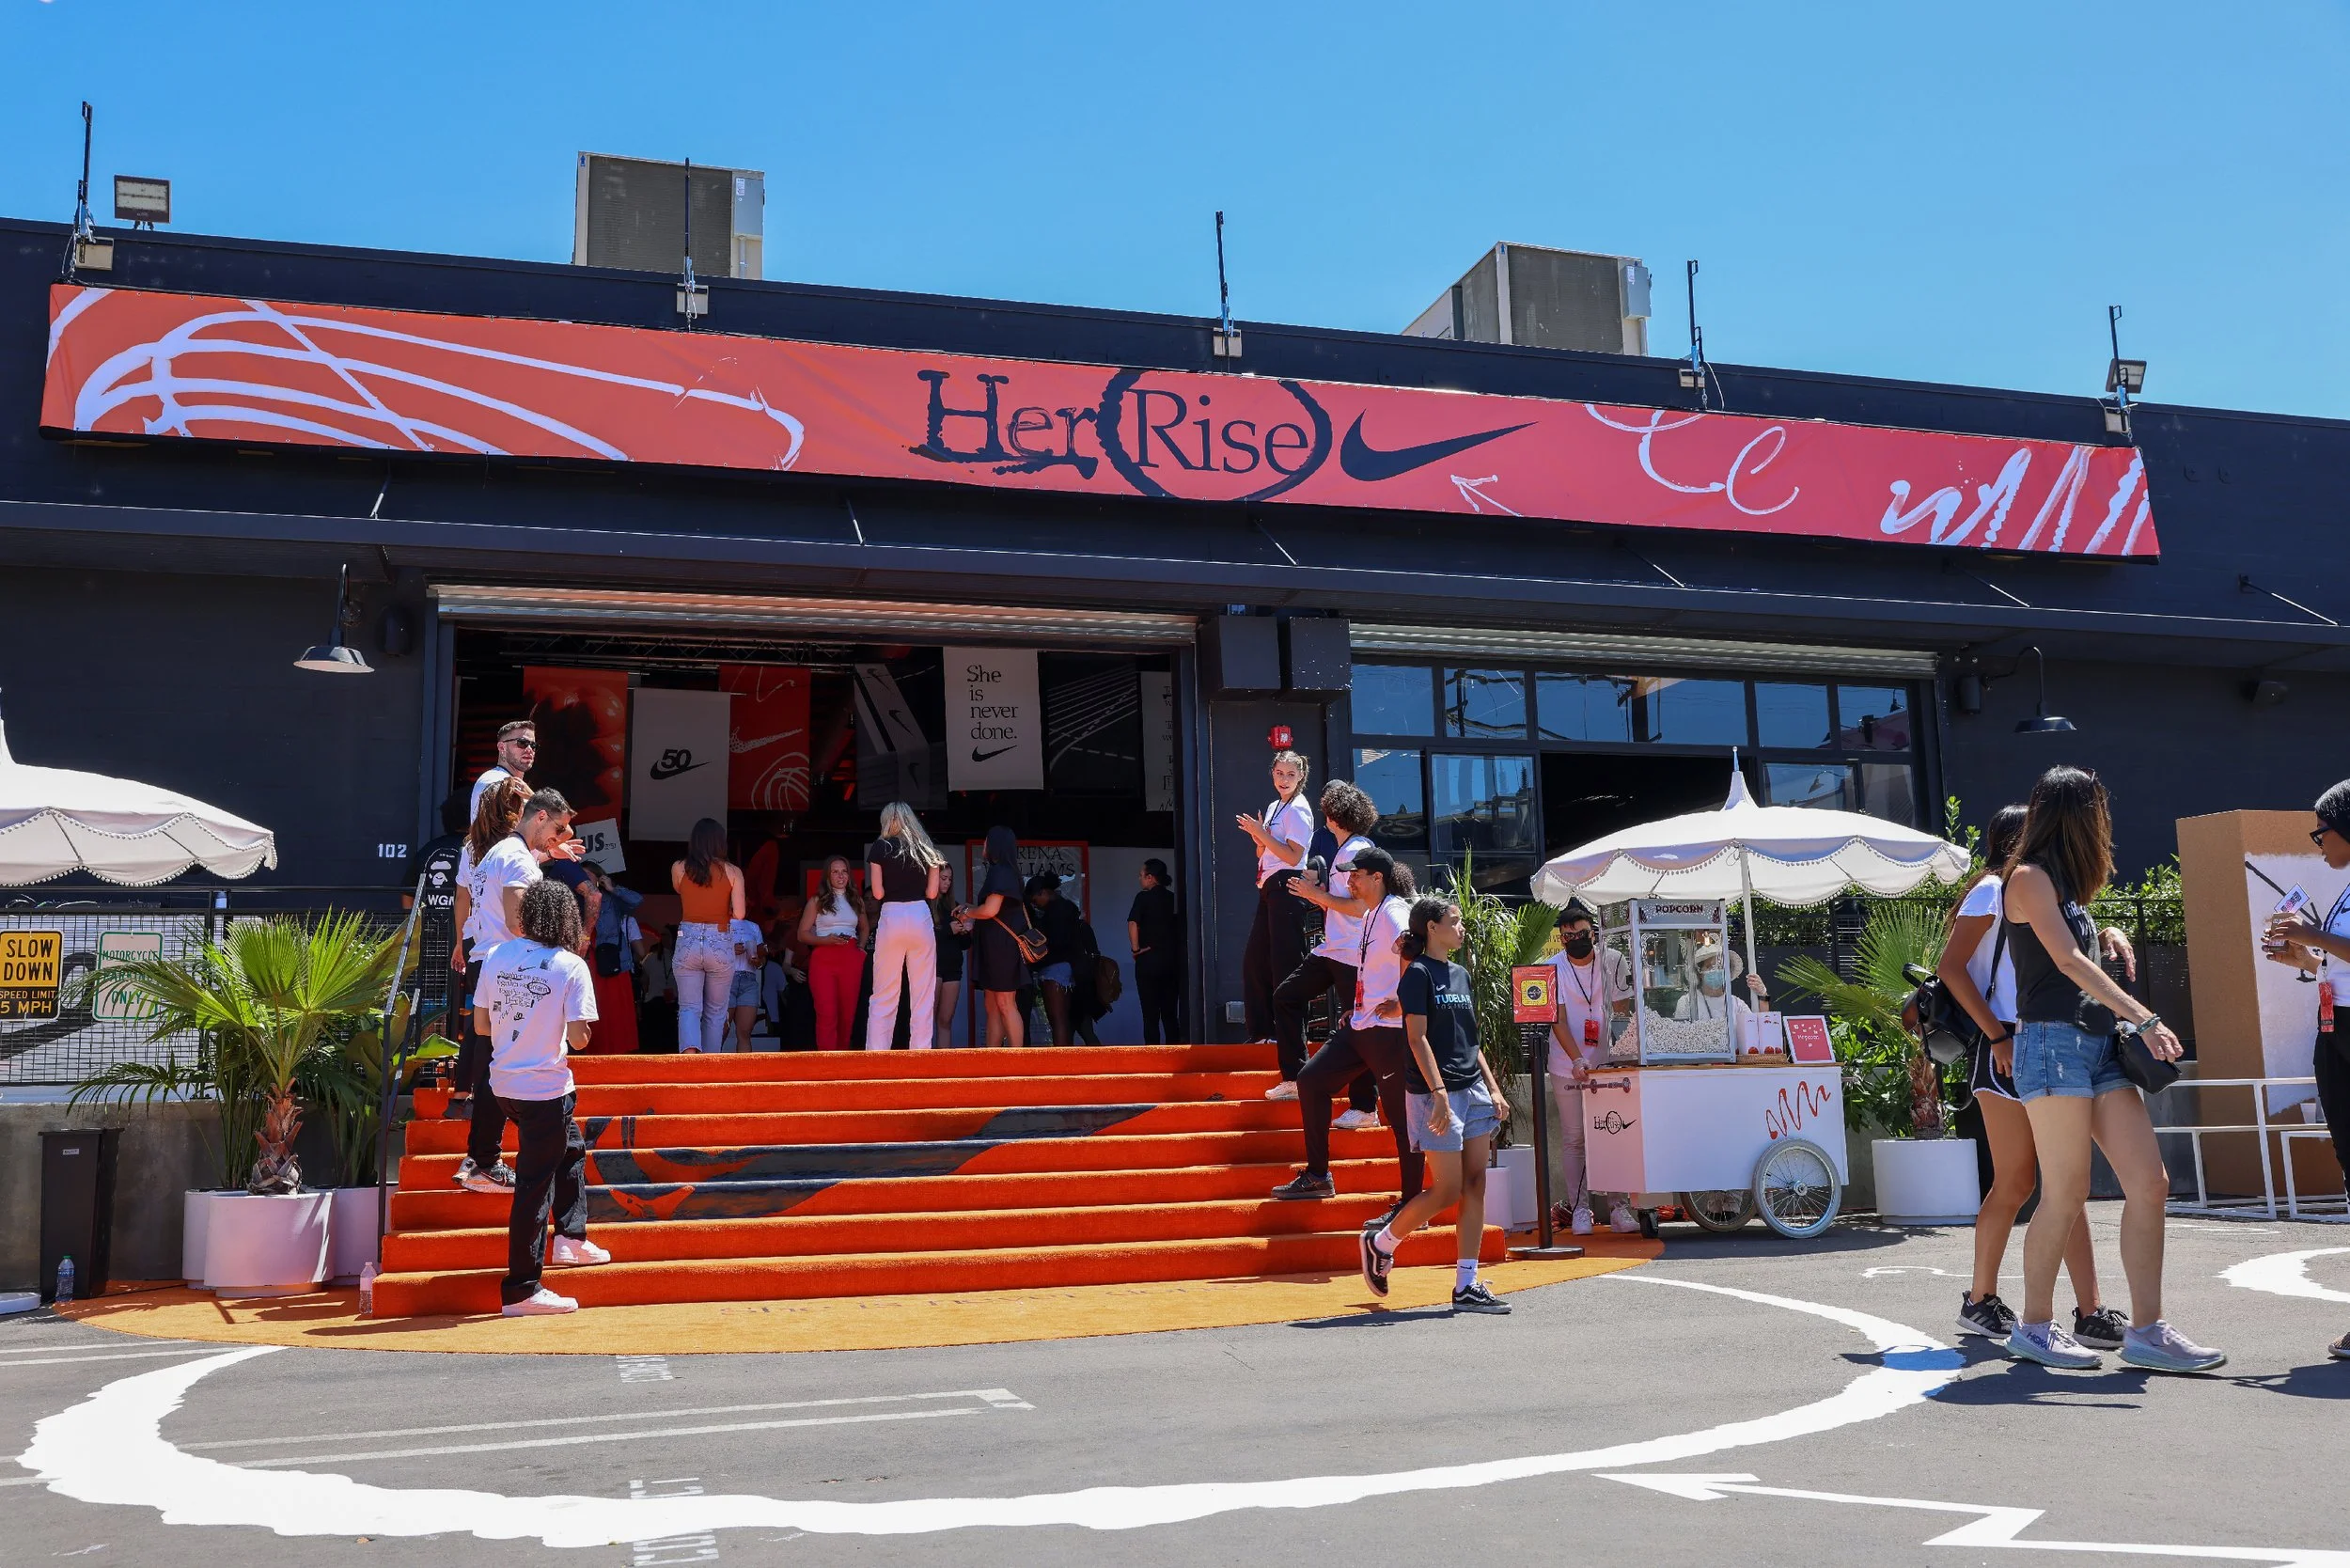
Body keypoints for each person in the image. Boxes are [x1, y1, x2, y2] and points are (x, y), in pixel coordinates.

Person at [2002, 764, 2221, 1372]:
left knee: (2149, 1182)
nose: (2106, 824)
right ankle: (2036, 1326)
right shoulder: (2026, 878)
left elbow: (2078, 947)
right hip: (2050, 1045)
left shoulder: (2067, 889)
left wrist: (2113, 930)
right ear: (2079, 815)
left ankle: (2147, 1331)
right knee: (2068, 1189)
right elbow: (2067, 961)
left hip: (2097, 1045)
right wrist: (2144, 1016)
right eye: (2099, 811)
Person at [1937, 804, 2130, 1349]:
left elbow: (2069, 949)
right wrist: (1997, 1037)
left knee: (2063, 1183)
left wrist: (2112, 929)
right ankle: (1979, 1300)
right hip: (2006, 1043)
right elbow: (1950, 969)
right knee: (2019, 1181)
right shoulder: (1993, 890)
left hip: (2050, 1041)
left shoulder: (2044, 891)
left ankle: (2090, 1310)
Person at [1359, 896, 1511, 1314]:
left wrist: (1494, 1088)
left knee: (1476, 1184)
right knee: (1447, 1189)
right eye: (1454, 921)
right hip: (1433, 1094)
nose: (1461, 928)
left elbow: (1471, 1039)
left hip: (1473, 1091)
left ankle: (1467, 1284)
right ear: (1431, 927)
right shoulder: (1418, 975)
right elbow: (1416, 1038)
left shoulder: (1460, 975)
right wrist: (1440, 1094)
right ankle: (1381, 1242)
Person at [474, 879, 611, 1316]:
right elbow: (580, 1038)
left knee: (570, 1147)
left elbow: (480, 1026)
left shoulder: (496, 956)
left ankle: (572, 1237)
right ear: (567, 919)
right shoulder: (570, 966)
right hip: (545, 1088)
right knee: (533, 1187)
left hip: (504, 1086)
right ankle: (522, 1288)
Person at [1272, 846, 1426, 1227]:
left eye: (1356, 874)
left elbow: (1418, 957)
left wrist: (1402, 1003)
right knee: (1310, 1080)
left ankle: (1413, 1206)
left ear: (1377, 878)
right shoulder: (1372, 913)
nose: (1349, 880)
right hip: (1361, 1025)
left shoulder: (1394, 913)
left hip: (1389, 1033)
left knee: (1401, 1120)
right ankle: (1318, 1176)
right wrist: (1358, 1006)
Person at [2260, 776, 2350, 1360]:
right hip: (2335, 1026)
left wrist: (2310, 934)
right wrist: (2305, 956)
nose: (2318, 843)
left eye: (2322, 831)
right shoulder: (2345, 887)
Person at [454, 787, 573, 1197]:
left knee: (492, 1060)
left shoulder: (499, 852)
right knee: (497, 1065)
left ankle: (481, 1157)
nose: (557, 837)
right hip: (505, 964)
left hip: (487, 961)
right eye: (556, 829)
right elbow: (520, 921)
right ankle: (484, 1159)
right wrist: (556, 942)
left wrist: (545, 856)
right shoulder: (517, 858)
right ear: (539, 817)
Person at [1277, 781, 1383, 1126]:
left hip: (1355, 953)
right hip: (1334, 949)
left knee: (1359, 1024)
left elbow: (1362, 907)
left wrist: (1316, 894)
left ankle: (1366, 1108)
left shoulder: (1357, 851)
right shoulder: (1347, 850)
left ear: (1333, 815)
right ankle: (1294, 1077)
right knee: (1286, 997)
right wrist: (1317, 891)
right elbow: (1343, 901)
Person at [1547, 902, 1637, 1236]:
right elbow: (1555, 1018)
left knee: (1615, 1131)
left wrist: (1614, 1056)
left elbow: (1621, 1009)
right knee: (1574, 1138)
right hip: (1565, 1064)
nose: (1575, 940)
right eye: (1568, 935)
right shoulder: (1551, 967)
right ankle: (1580, 1208)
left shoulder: (1612, 960)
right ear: (1562, 938)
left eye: (1581, 933)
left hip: (1609, 1063)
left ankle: (1619, 1206)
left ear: (1593, 932)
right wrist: (1576, 1059)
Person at [1237, 749, 1315, 1043]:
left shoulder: (1298, 808)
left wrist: (1263, 834)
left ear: (1301, 777)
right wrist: (1258, 838)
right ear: (1272, 774)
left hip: (1287, 884)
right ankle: (1262, 1032)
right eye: (1280, 773)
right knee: (1255, 961)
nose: (1284, 779)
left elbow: (1294, 856)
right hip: (1268, 885)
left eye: (1291, 774)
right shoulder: (1274, 806)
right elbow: (1265, 851)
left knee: (1286, 961)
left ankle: (1290, 1034)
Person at [866, 802, 947, 1052]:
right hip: (920, 915)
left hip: (892, 915)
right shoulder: (927, 850)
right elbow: (933, 892)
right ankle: (921, 1051)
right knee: (923, 991)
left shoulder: (881, 847)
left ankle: (876, 1053)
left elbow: (877, 893)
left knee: (884, 991)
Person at [669, 819, 746, 1055]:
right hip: (719, 939)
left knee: (689, 1008)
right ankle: (710, 1065)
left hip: (688, 939)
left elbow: (679, 890)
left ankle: (690, 1060)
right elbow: (741, 914)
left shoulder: (679, 867)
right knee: (715, 1011)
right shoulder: (733, 872)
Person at [400, 788, 472, 1026]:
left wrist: (417, 927)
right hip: (470, 940)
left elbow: (407, 895)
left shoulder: (428, 851)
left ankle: (430, 1055)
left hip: (430, 939)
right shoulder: (478, 852)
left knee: (430, 1000)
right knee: (472, 996)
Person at [958, 826, 1033, 1049]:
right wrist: (970, 909)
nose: (984, 845)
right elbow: (994, 910)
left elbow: (990, 910)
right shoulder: (1003, 871)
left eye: (987, 841)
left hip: (1002, 947)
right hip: (995, 946)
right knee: (992, 1004)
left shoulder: (1002, 871)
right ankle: (992, 1059)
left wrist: (967, 913)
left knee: (1005, 1002)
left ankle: (1017, 1060)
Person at [797, 854, 870, 1051]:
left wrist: (861, 949)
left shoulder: (856, 900)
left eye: (844, 871)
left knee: (848, 1014)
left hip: (850, 958)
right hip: (824, 958)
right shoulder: (817, 900)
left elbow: (864, 927)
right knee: (826, 1012)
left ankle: (843, 1061)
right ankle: (827, 1062)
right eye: (835, 872)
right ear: (827, 876)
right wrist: (825, 940)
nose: (840, 876)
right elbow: (802, 934)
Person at [583, 863, 643, 1055]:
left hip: (613, 960)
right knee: (593, 1008)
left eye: (588, 875)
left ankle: (620, 1055)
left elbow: (637, 901)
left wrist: (612, 888)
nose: (584, 880)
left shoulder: (611, 899)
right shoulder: (575, 898)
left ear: (599, 878)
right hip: (587, 960)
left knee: (616, 1011)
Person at [1026, 874, 1089, 1046]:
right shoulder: (1066, 908)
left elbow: (1056, 942)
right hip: (1067, 966)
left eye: (1035, 899)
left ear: (1043, 893)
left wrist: (1037, 960)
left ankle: (1062, 1059)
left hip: (1056, 967)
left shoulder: (1055, 912)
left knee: (1057, 1018)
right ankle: (1064, 1057)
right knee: (1062, 1018)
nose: (1035, 904)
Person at [1128, 859, 1182, 1044]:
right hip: (1171, 960)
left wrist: (1135, 949)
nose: (1140, 878)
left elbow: (1133, 922)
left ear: (1151, 878)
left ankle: (1153, 1055)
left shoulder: (1143, 898)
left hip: (1148, 958)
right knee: (1170, 1013)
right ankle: (1175, 1053)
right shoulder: (1174, 898)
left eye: (1142, 875)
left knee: (1150, 1014)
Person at [470, 719, 537, 820]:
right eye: (522, 743)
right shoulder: (496, 781)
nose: (529, 749)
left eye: (533, 745)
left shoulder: (512, 783)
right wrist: (536, 801)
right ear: (502, 748)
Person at [936, 866, 972, 1048]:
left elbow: (966, 945)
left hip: (953, 967)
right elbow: (922, 937)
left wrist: (966, 931)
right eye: (943, 878)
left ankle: (943, 1067)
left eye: (949, 879)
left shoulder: (954, 905)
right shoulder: (924, 905)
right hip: (932, 967)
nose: (947, 883)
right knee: (925, 1022)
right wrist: (947, 931)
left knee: (945, 1021)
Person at [728, 914, 766, 1052]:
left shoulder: (753, 926)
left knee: (744, 1033)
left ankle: (744, 1072)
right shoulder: (719, 924)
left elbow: (761, 957)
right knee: (720, 1032)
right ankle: (712, 1071)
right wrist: (729, 950)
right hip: (725, 979)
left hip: (749, 979)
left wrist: (758, 961)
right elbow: (708, 953)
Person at [635, 926, 676, 1054]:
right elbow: (644, 981)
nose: (663, 938)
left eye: (666, 935)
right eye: (662, 935)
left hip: (672, 1005)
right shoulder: (652, 957)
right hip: (656, 1005)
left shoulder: (681, 958)